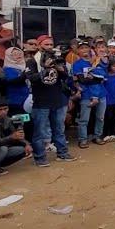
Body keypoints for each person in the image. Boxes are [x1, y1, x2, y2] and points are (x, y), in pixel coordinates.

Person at [26, 35, 76, 166]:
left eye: (50, 44)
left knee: (59, 129)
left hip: (57, 99)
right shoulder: (32, 61)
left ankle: (63, 153)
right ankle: (40, 158)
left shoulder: (57, 58)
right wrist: (45, 69)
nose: (49, 47)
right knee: (39, 132)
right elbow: (31, 78)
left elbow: (65, 77)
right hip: (41, 101)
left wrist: (60, 69)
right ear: (39, 45)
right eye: (46, 44)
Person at [0, 97, 32, 183]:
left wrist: (26, 144)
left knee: (21, 150)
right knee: (3, 149)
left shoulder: (6, 119)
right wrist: (11, 137)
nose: (3, 111)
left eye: (5, 109)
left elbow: (15, 134)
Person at [73, 41, 108, 148]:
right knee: (84, 119)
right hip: (86, 95)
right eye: (81, 48)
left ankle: (97, 136)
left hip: (101, 94)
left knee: (100, 117)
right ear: (78, 51)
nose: (84, 50)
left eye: (86, 48)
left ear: (90, 49)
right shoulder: (77, 64)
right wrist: (96, 78)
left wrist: (93, 77)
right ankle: (83, 139)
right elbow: (82, 80)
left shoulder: (98, 61)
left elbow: (104, 77)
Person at [2, 47, 32, 142]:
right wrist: (25, 75)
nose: (18, 55)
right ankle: (20, 145)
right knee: (18, 124)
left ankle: (28, 144)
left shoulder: (24, 66)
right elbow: (13, 81)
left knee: (28, 123)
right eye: (14, 54)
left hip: (27, 101)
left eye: (19, 53)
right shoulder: (7, 69)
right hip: (15, 102)